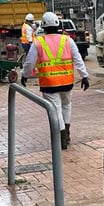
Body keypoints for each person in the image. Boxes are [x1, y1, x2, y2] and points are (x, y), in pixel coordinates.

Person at [21, 12, 90, 150]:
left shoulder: (38, 42)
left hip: (49, 83)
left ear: (44, 26)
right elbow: (78, 59)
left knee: (56, 109)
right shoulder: (67, 40)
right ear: (58, 25)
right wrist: (84, 76)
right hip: (66, 82)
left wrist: (25, 75)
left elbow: (29, 63)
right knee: (66, 106)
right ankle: (66, 134)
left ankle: (61, 138)